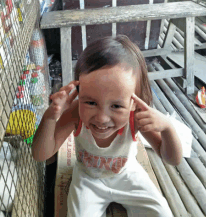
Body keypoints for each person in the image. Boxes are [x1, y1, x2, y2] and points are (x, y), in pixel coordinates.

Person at [32, 35, 182, 217]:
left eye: (116, 106)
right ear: (79, 93)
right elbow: (41, 154)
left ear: (134, 103)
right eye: (90, 102)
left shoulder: (137, 116)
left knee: (162, 213)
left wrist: (168, 128)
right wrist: (50, 117)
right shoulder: (75, 112)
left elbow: (172, 159)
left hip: (128, 175)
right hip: (88, 179)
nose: (102, 118)